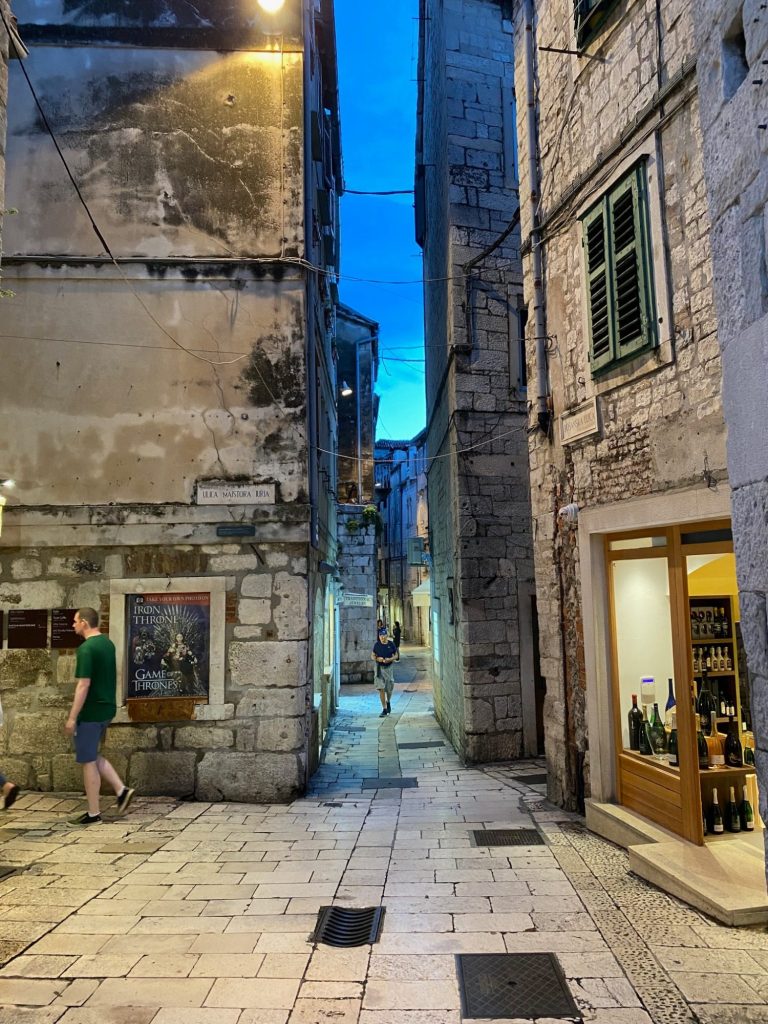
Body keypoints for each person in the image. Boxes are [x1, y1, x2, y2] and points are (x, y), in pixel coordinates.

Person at [65, 607, 135, 826]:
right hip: (107, 709)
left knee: (87, 760)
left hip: (91, 711)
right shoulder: (107, 643)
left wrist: (72, 717)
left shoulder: (86, 649)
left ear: (84, 623)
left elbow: (83, 685)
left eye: (75, 621)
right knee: (92, 755)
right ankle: (121, 790)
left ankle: (94, 814)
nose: (73, 625)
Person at [371, 625, 399, 717]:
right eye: (380, 636)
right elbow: (372, 655)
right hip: (379, 668)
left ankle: (388, 701)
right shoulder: (377, 645)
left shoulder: (391, 644)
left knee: (389, 687)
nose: (382, 637)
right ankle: (384, 708)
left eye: (383, 635)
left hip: (389, 668)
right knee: (381, 688)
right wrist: (377, 659)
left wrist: (390, 659)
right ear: (379, 636)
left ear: (386, 635)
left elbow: (396, 656)